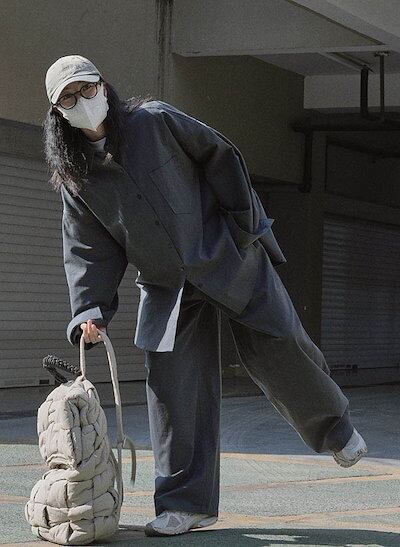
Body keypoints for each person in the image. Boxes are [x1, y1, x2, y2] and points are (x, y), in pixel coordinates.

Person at [44, 55, 368, 538]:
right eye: (69, 99)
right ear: (58, 113)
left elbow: (222, 155)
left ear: (104, 87)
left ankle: (337, 430)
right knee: (172, 387)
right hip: (166, 284)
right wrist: (90, 309)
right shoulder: (78, 177)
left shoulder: (155, 122)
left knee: (278, 345)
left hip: (226, 254)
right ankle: (186, 503)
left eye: (87, 89)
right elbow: (87, 248)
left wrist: (244, 225)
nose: (82, 102)